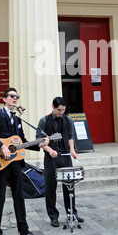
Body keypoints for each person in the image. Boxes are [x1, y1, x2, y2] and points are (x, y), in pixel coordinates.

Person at [0, 87, 48, 235]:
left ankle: (24, 232)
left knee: (20, 197)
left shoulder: (17, 120)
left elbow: (22, 141)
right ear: (4, 99)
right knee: (0, 197)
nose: (15, 98)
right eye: (12, 96)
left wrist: (40, 144)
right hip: (1, 163)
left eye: (17, 96)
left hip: (16, 164)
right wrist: (1, 147)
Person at [36, 97, 84, 227]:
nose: (61, 112)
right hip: (51, 158)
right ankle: (53, 216)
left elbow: (70, 136)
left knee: (70, 186)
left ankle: (71, 213)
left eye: (63, 110)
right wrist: (49, 150)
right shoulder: (44, 120)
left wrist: (72, 150)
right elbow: (39, 140)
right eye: (59, 110)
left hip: (65, 156)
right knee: (50, 187)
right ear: (53, 106)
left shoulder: (68, 119)